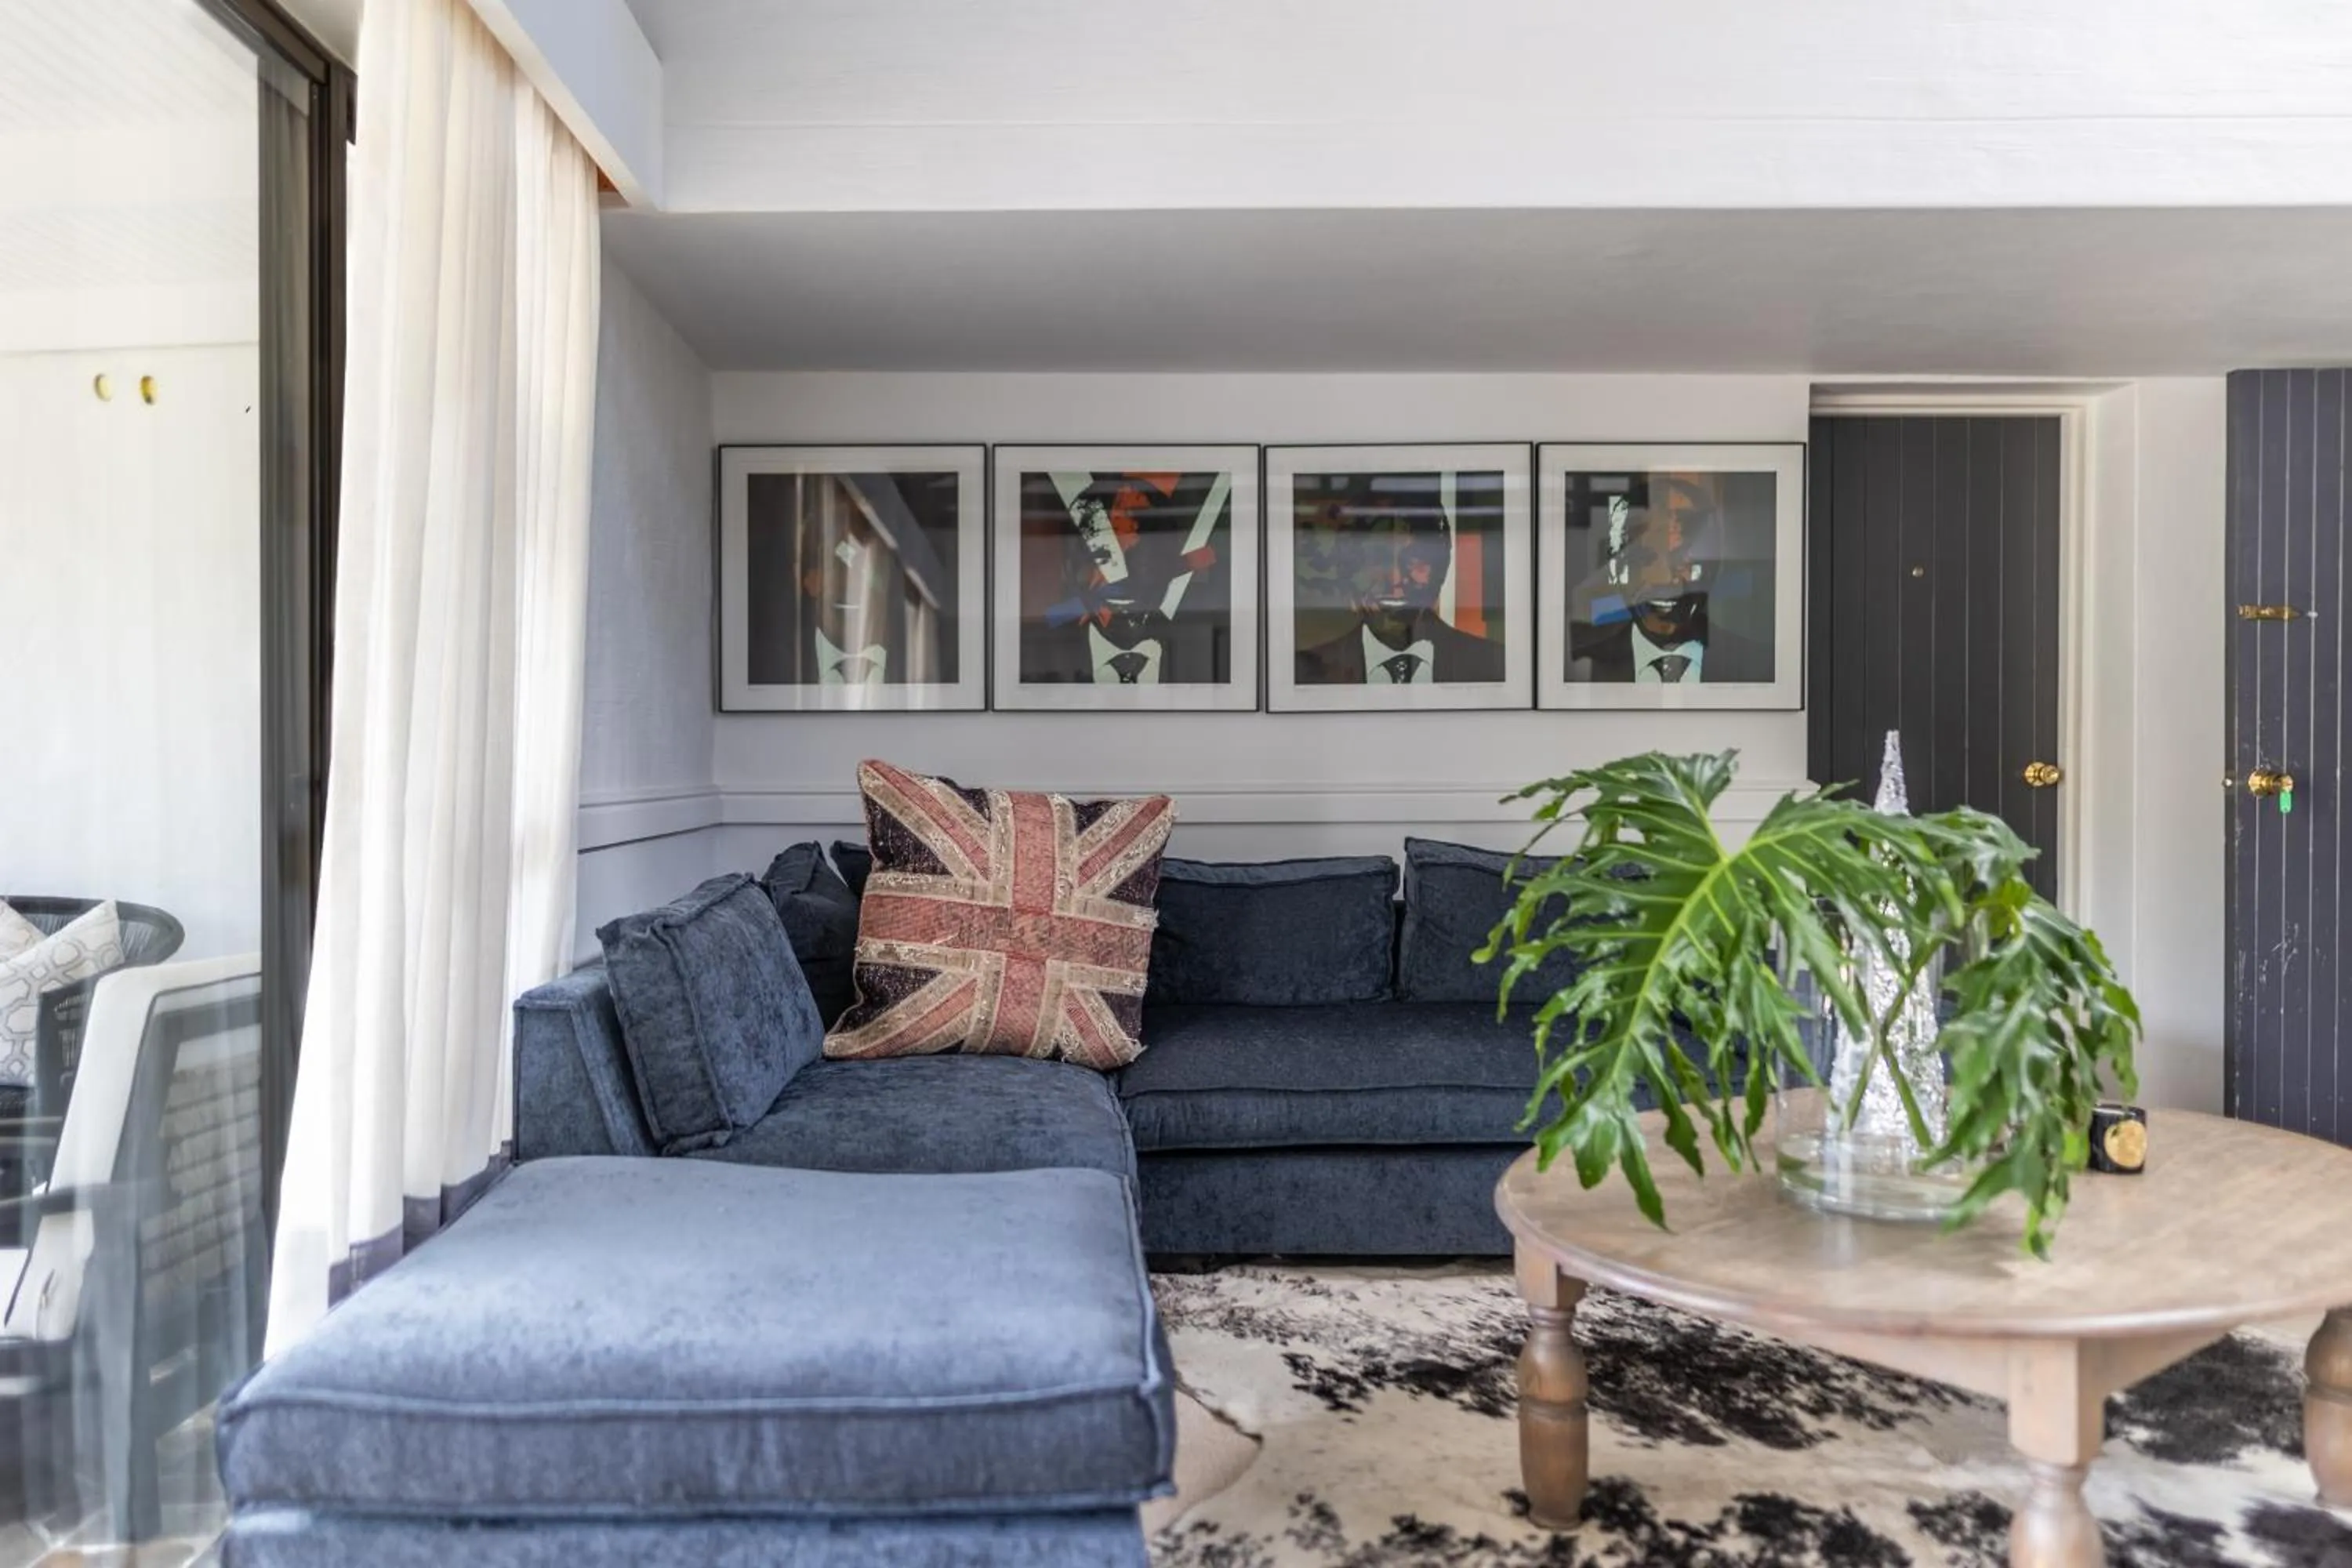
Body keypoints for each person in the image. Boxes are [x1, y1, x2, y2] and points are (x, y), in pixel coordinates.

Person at [1566, 474, 1769, 684]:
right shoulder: (1581, 666)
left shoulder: (1759, 666)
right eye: (1647, 560)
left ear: (1711, 569)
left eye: (1681, 561)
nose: (1667, 582)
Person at [1022, 474, 1218, 685]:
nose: (1125, 583)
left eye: (1143, 559)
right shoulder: (1036, 660)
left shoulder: (1206, 656)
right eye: (1107, 558)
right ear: (1070, 568)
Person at [1294, 495, 1504, 685]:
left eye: (1415, 560)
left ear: (1441, 571)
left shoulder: (1495, 665)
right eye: (1378, 558)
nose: (1395, 579)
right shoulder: (1304, 673)